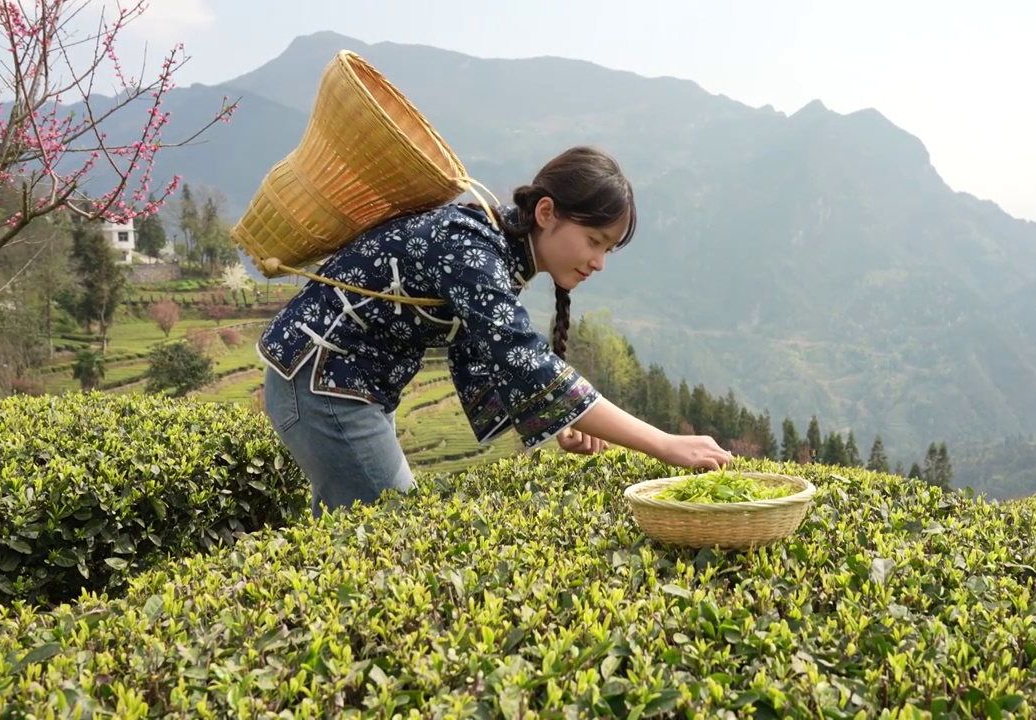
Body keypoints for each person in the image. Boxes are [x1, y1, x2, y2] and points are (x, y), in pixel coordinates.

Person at [257, 145, 733, 517]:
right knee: (388, 531)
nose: (599, 262)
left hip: (342, 387)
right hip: (322, 384)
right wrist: (664, 443)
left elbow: (487, 357)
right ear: (546, 213)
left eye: (608, 248)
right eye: (594, 241)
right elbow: (527, 362)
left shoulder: (498, 248)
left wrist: (563, 420)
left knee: (354, 537)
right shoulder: (472, 246)